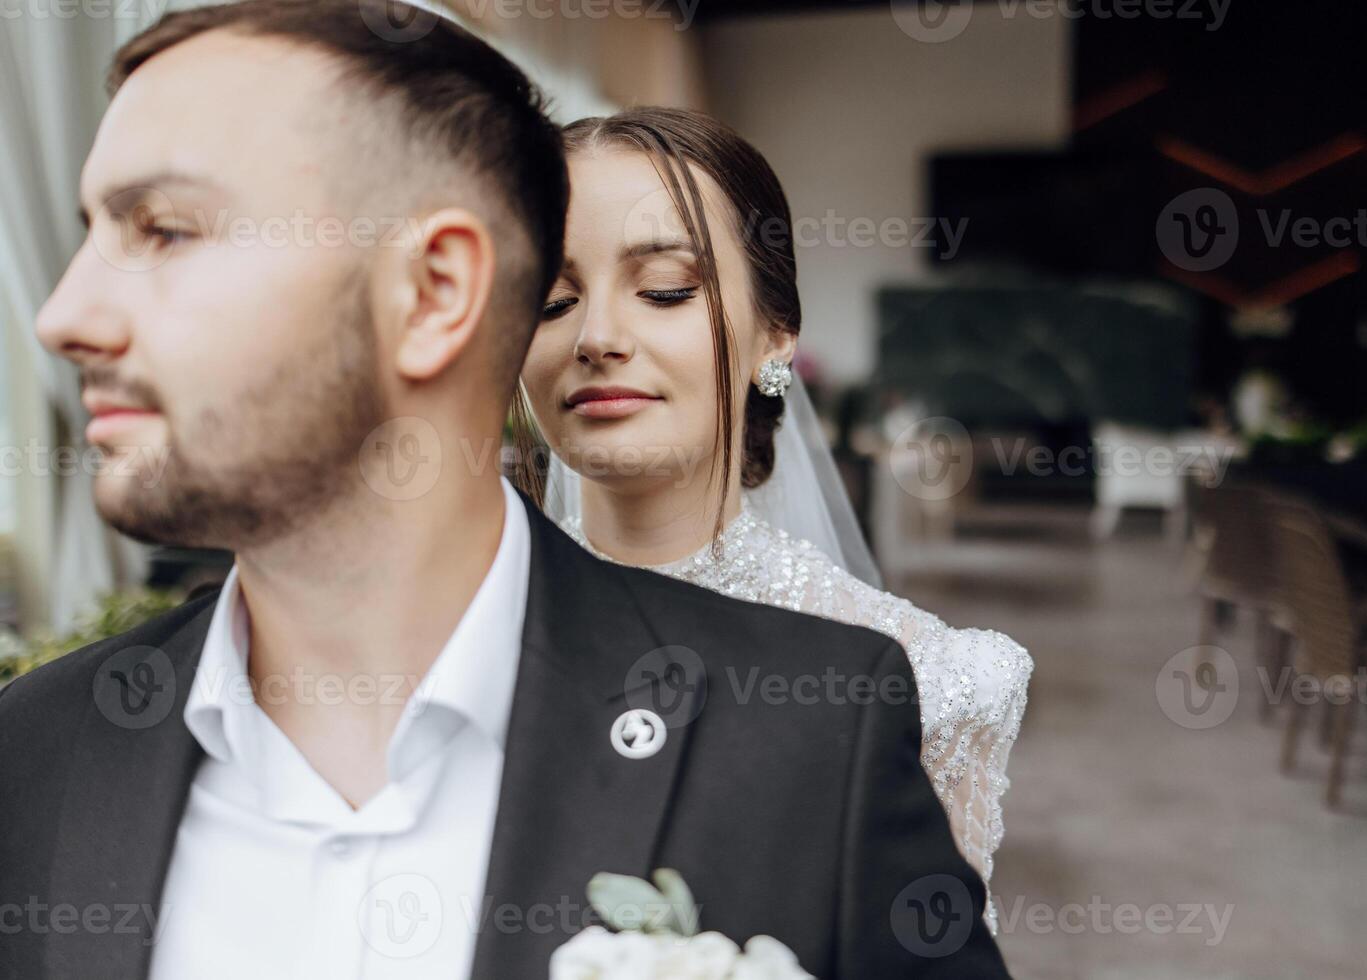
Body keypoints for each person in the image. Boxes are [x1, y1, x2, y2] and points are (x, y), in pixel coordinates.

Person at [0, 2, 1011, 978]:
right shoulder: (35, 750)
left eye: (166, 229)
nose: (63, 315)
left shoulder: (817, 736)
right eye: (560, 298)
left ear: (441, 290)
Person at [515, 107, 1033, 935]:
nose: (598, 336)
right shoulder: (459, 637)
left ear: (775, 334)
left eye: (665, 291)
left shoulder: (921, 680)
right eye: (551, 300)